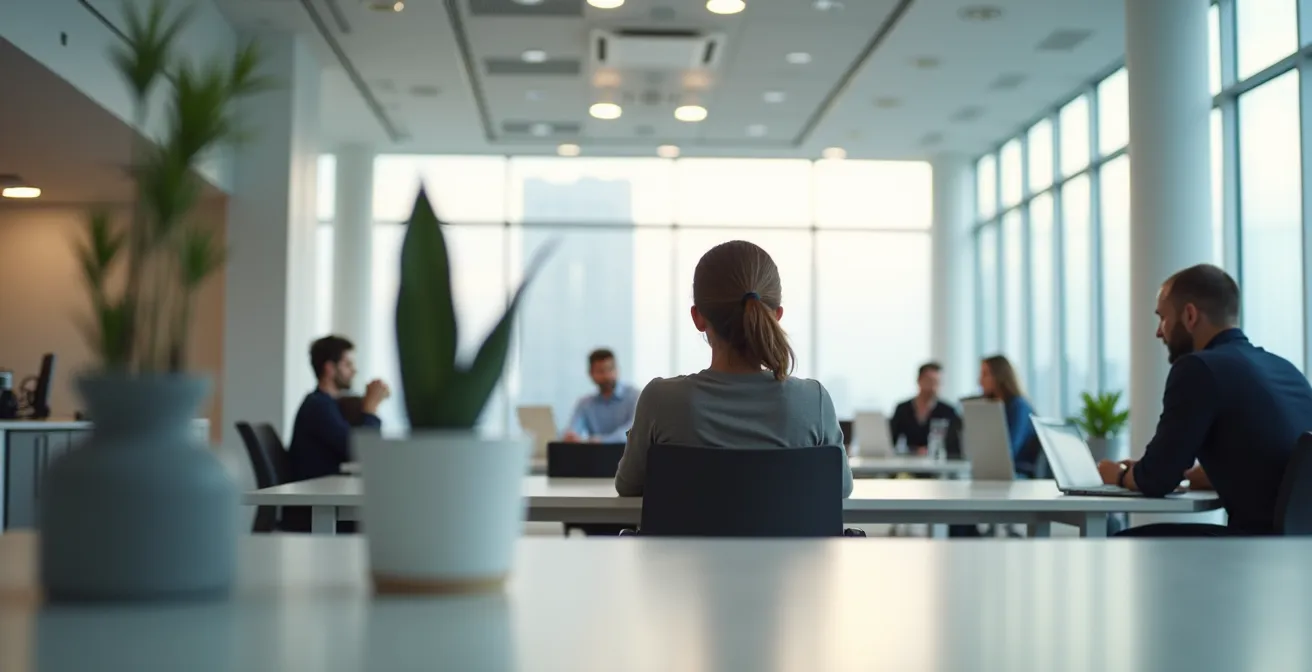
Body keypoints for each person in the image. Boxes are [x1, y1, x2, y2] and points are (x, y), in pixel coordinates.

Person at [615, 240, 854, 498]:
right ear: (776, 315)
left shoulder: (660, 400)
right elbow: (841, 488)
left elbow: (628, 486)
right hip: (785, 541)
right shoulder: (812, 401)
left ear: (698, 317)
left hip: (686, 540)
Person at [1095, 264, 1312, 537]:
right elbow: (1278, 463)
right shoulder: (1284, 368)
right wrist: (1198, 474)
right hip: (1301, 550)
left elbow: (1156, 479)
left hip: (1258, 550)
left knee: (1116, 546)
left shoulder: (1198, 369)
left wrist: (1116, 475)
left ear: (1189, 315)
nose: (1158, 332)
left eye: (1162, 318)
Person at [288, 336, 390, 483]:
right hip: (318, 499)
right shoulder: (318, 406)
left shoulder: (326, 404)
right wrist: (371, 408)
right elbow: (362, 451)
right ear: (330, 368)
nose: (354, 371)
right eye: (348, 364)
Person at [979, 355, 1040, 478]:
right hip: (995, 473)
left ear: (999, 376)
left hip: (1020, 473)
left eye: (985, 374)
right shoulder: (991, 406)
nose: (979, 381)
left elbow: (1009, 450)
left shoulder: (1019, 406)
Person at [563, 349, 638, 443]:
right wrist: (571, 435)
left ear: (617, 370)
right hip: (595, 455)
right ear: (591, 374)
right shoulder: (586, 403)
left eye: (610, 369)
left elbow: (634, 430)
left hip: (628, 454)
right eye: (601, 371)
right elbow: (574, 427)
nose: (607, 375)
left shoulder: (634, 396)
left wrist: (603, 441)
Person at [889, 362, 962, 457]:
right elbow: (890, 439)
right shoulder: (903, 409)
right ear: (919, 380)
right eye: (930, 381)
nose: (933, 387)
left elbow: (955, 446)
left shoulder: (948, 411)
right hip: (909, 461)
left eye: (937, 382)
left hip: (938, 463)